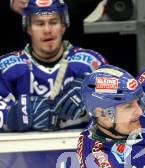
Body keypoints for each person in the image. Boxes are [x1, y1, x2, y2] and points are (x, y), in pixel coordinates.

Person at [0, 0, 107, 132]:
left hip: (80, 150)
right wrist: (9, 118)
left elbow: (127, 101)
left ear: (64, 25)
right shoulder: (6, 68)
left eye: (53, 22)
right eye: (39, 23)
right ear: (28, 28)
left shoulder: (91, 63)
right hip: (22, 150)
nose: (47, 30)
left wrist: (94, 88)